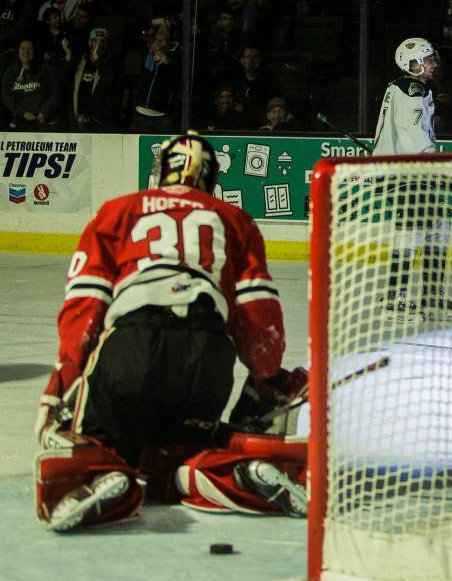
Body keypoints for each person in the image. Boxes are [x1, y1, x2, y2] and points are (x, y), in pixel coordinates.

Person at [34, 132, 309, 533]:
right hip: (205, 358)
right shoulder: (233, 219)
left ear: (159, 171)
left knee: (106, 447)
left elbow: (85, 304)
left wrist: (67, 374)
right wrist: (265, 378)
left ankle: (103, 474)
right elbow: (259, 317)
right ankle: (231, 476)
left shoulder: (119, 210)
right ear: (211, 179)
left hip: (132, 346)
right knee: (181, 454)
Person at [372, 38, 452, 322]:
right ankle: (392, 301)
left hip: (407, 169)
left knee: (439, 226)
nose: (434, 64)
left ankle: (431, 294)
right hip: (405, 171)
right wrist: (436, 162)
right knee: (411, 232)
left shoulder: (405, 87)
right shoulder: (411, 90)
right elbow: (414, 135)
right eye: (429, 60)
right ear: (414, 65)